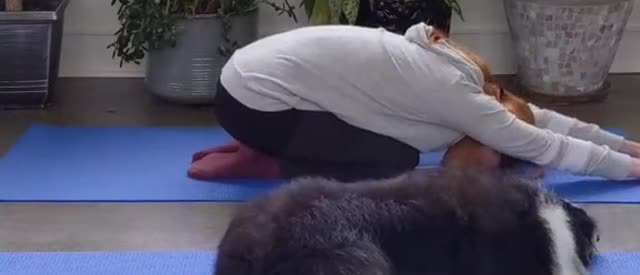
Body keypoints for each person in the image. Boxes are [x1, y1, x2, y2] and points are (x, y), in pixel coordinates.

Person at [188, 23, 640, 182]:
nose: (488, 160)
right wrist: (632, 171)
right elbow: (546, 145)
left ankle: (260, 144)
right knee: (390, 160)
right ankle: (266, 162)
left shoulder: (471, 81)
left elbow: (542, 120)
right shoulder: (464, 102)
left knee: (381, 143)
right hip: (253, 102)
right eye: (500, 151)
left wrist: (625, 145)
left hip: (248, 84)